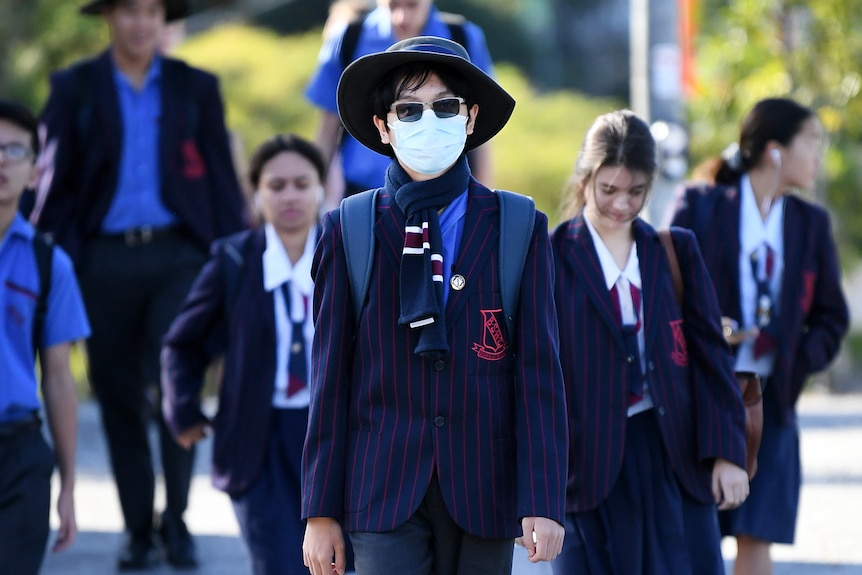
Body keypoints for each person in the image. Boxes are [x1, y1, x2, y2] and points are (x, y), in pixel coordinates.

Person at [301, 36, 568, 575]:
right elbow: (330, 378)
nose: (430, 120)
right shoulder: (348, 228)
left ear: (470, 118)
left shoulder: (517, 225)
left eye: (446, 106)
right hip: (382, 488)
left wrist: (543, 498)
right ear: (383, 125)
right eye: (409, 108)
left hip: (485, 487)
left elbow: (540, 373)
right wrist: (319, 511)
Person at [30, 0, 246, 569]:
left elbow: (223, 180)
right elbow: (53, 185)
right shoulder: (74, 87)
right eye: (130, 11)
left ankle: (177, 522)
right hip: (100, 261)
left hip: (180, 255)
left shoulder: (194, 86)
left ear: (164, 19)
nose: (142, 23)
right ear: (108, 18)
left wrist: (232, 261)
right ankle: (136, 530)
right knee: (119, 393)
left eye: (153, 11)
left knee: (175, 384)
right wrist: (47, 262)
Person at [550, 110, 750, 574]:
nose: (621, 204)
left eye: (636, 191)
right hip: (587, 468)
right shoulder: (549, 257)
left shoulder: (673, 251)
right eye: (609, 190)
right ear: (585, 179)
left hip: (673, 459)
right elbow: (536, 375)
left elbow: (711, 359)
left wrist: (727, 453)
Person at [668, 97, 849, 575]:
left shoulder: (811, 224)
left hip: (773, 401)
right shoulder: (702, 206)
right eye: (811, 142)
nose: (817, 155)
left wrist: (794, 358)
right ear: (774, 150)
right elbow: (665, 291)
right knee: (697, 532)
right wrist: (709, 332)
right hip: (704, 397)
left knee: (758, 533)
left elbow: (832, 316)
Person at [161, 134, 353, 575]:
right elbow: (182, 342)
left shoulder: (346, 255)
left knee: (338, 563)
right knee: (278, 563)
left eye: (302, 184)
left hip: (331, 436)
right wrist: (183, 410)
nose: (290, 196)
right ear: (257, 192)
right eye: (277, 185)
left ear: (322, 190)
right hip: (256, 439)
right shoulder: (233, 258)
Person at [0, 100, 90, 574]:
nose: (1, 161)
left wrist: (69, 486)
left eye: (14, 150)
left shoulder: (48, 263)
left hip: (19, 459)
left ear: (34, 172)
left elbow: (58, 380)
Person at [305, 0, 496, 208]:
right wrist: (313, 196)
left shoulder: (464, 37)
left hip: (449, 196)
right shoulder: (349, 38)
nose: (401, 17)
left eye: (412, 5)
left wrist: (482, 201)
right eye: (393, 6)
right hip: (364, 196)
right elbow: (326, 131)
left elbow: (481, 134)